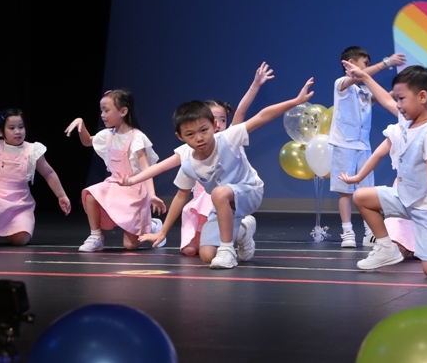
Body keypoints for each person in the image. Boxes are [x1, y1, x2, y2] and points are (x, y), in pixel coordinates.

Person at [111, 78, 314, 269]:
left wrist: (295, 101)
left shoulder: (228, 138)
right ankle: (243, 231)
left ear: (214, 126)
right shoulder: (189, 163)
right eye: (190, 134)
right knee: (207, 255)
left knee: (219, 193)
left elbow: (262, 116)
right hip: (222, 205)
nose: (199, 138)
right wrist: (161, 229)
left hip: (249, 192)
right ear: (180, 137)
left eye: (204, 130)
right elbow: (169, 180)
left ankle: (227, 250)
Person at [339, 65, 427, 278]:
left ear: (423, 97)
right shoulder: (406, 123)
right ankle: (386, 248)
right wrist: (364, 77)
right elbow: (385, 100)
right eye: (397, 99)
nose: (397, 104)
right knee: (361, 196)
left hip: (426, 207)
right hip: (403, 197)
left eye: (401, 99)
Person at [179, 62, 273, 256]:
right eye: (213, 119)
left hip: (232, 194)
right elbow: (172, 173)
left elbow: (241, 111)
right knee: (203, 254)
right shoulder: (192, 149)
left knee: (221, 198)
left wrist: (255, 85)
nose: (218, 124)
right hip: (210, 200)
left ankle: (235, 239)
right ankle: (235, 235)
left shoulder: (230, 137)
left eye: (222, 119)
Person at [65, 89, 166, 252]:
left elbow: (147, 169)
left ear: (123, 111)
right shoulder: (107, 135)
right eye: (101, 111)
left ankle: (153, 225)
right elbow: (87, 141)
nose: (102, 115)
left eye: (106, 110)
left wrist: (152, 194)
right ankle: (96, 236)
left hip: (135, 189)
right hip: (115, 184)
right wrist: (80, 123)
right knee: (90, 193)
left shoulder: (136, 137)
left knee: (130, 246)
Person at [329, 46, 406, 248]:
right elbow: (357, 77)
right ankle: (347, 232)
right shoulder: (341, 84)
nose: (367, 68)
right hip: (344, 144)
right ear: (351, 64)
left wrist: (402, 88)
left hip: (363, 145)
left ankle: (370, 231)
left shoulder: (363, 91)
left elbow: (381, 97)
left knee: (366, 190)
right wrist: (387, 63)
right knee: (345, 191)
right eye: (365, 64)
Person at [0, 109, 71, 246]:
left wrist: (61, 195)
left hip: (19, 202)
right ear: (0, 132)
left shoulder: (32, 150)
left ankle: (2, 229)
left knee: (21, 239)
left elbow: (48, 173)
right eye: (12, 128)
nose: (17, 131)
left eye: (21, 127)